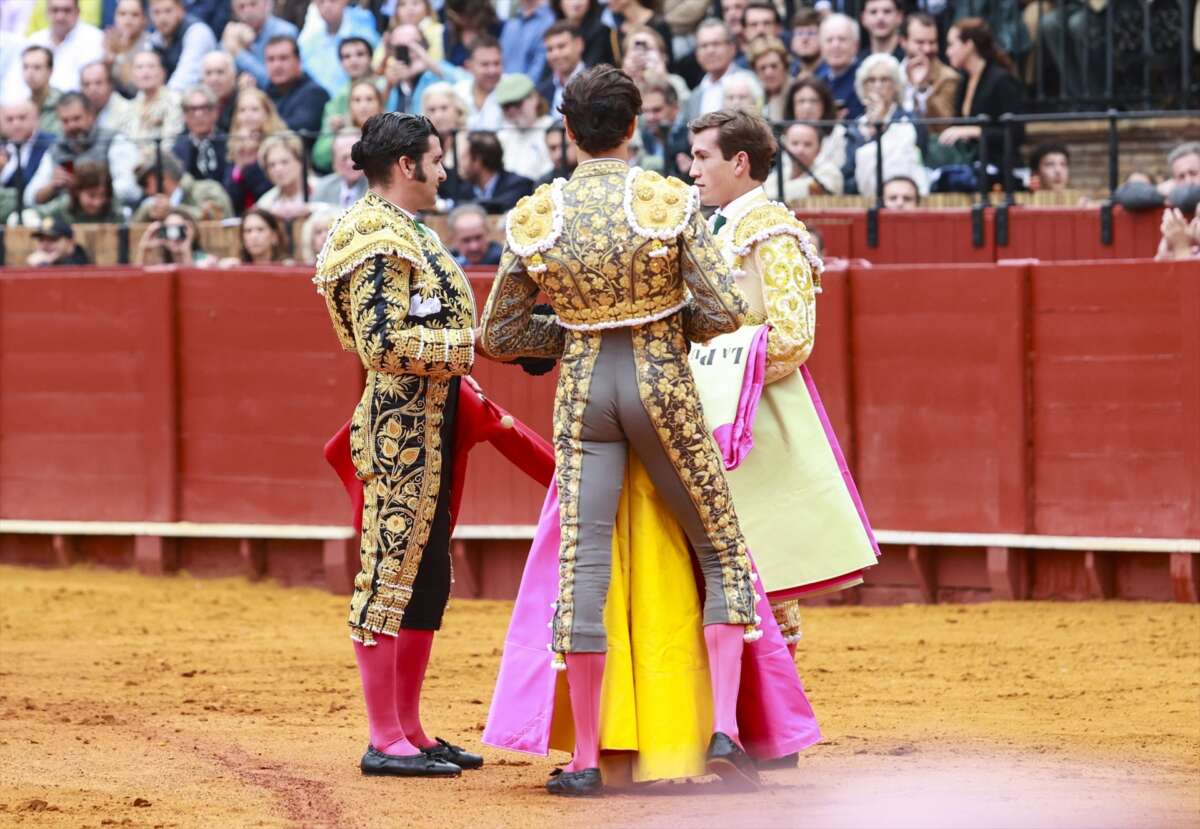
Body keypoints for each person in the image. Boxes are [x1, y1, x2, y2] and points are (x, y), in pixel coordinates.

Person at [478, 65, 794, 797]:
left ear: (567, 132)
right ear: (634, 126)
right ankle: (723, 729)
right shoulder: (667, 200)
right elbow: (722, 311)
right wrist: (657, 322)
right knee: (718, 548)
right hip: (660, 381)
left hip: (585, 389)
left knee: (584, 568)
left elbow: (498, 331)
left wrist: (576, 330)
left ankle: (587, 757)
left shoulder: (537, 214)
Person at [312, 112, 480, 778]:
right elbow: (381, 344)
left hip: (431, 423)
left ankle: (410, 726)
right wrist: (465, 349)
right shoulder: (376, 237)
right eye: (437, 159)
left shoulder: (408, 232)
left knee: (425, 577)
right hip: (399, 430)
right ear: (407, 165)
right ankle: (383, 734)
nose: (444, 171)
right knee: (386, 576)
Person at [687, 105, 878, 670]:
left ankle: (776, 714)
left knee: (767, 564)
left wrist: (719, 372)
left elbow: (794, 338)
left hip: (756, 417)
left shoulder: (772, 232)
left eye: (702, 157)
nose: (692, 170)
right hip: (710, 411)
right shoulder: (710, 227)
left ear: (739, 162)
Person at [938, 18, 1025, 185]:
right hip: (970, 166)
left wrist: (973, 131)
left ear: (968, 45)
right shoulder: (964, 80)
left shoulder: (1000, 80)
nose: (948, 52)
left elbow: (1016, 133)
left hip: (999, 171)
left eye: (951, 44)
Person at [843, 53, 928, 197]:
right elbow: (849, 176)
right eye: (871, 80)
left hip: (904, 196)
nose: (877, 86)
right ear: (863, 87)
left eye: (884, 80)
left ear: (895, 86)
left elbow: (920, 161)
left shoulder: (910, 120)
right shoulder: (855, 128)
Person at [41, 92, 140, 207]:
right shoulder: (57, 147)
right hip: (67, 215)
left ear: (91, 116)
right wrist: (52, 186)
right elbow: (30, 197)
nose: (72, 125)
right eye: (65, 121)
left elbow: (129, 189)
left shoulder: (114, 140)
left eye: (76, 118)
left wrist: (90, 191)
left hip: (110, 215)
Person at [2, 0, 105, 102]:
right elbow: (16, 83)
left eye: (66, 10)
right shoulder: (35, 40)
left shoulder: (95, 39)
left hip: (78, 109)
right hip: (37, 108)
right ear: (47, 13)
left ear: (78, 12)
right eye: (55, 10)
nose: (60, 16)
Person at [298, 0, 380, 98]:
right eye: (321, 2)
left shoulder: (365, 28)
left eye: (333, 1)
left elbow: (377, 69)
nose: (327, 6)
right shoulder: (309, 41)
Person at [223, 87, 285, 213]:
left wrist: (250, 162)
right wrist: (240, 164)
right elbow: (229, 199)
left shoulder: (280, 144)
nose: (248, 115)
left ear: (267, 113)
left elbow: (267, 188)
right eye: (242, 110)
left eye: (255, 109)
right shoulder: (234, 147)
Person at [264, 35, 330, 142]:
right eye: (271, 59)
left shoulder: (315, 94)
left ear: (298, 61)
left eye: (283, 58)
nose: (277, 65)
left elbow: (297, 128)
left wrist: (260, 125)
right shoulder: (265, 92)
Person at [132, 151, 233, 221]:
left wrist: (174, 210)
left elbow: (217, 218)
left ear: (163, 176)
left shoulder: (207, 190)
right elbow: (130, 233)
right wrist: (146, 212)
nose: (146, 191)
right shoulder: (151, 207)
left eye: (145, 183)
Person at [222, 0, 300, 89]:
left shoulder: (284, 32)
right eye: (241, 7)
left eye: (253, 4)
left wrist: (239, 53)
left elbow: (273, 81)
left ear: (267, 4)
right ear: (234, 11)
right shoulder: (234, 34)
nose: (248, 11)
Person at [452, 130, 534, 213]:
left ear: (478, 160)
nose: (460, 163)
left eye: (463, 158)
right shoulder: (462, 190)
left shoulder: (518, 186)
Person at [901, 12, 960, 125]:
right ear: (903, 41)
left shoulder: (948, 78)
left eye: (932, 42)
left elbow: (943, 124)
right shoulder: (892, 74)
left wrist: (922, 89)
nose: (927, 49)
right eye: (920, 42)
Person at [684, 20, 751, 121]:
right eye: (704, 46)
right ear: (697, 53)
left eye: (716, 44)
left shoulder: (749, 82)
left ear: (732, 48)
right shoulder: (695, 95)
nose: (710, 51)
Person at [784, 77, 848, 182]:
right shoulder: (784, 137)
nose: (807, 107)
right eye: (801, 101)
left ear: (824, 105)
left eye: (814, 101)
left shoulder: (841, 135)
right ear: (792, 106)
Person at [148, 0, 217, 93]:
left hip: (202, 101)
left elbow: (184, 80)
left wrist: (161, 103)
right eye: (157, 12)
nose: (162, 18)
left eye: (168, 11)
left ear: (181, 10)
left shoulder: (197, 32)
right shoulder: (154, 40)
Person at [765, 121, 844, 202]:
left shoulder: (831, 172)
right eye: (795, 143)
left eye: (807, 144)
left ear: (819, 148)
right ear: (785, 145)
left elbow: (814, 189)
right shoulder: (781, 173)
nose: (800, 150)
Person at [0, 101, 57, 213]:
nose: (16, 124)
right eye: (9, 119)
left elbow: (31, 195)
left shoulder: (51, 143)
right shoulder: (3, 146)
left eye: (22, 118)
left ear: (36, 119)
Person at [495, 76, 554, 183]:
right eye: (506, 106)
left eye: (517, 104)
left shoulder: (552, 130)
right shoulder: (503, 135)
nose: (512, 110)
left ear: (534, 98)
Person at [36, 158, 128, 224]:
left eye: (103, 196)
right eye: (92, 196)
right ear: (77, 192)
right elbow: (36, 214)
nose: (98, 202)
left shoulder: (115, 211)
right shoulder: (65, 206)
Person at [128, 50, 185, 151]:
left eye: (151, 66)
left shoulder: (174, 100)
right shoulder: (131, 105)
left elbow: (170, 141)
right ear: (132, 75)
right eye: (139, 67)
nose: (145, 72)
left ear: (162, 72)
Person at [255, 132, 317, 222]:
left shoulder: (322, 188)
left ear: (300, 162)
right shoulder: (265, 203)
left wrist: (312, 209)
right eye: (271, 165)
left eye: (284, 162)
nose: (278, 169)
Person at [173, 86, 227, 183]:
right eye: (192, 109)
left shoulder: (228, 143)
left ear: (215, 111)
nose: (198, 115)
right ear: (184, 115)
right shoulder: (177, 149)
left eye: (204, 108)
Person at [815, 13, 863, 119]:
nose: (835, 45)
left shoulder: (867, 78)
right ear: (821, 46)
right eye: (829, 40)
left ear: (855, 45)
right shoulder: (816, 80)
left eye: (842, 39)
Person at [454, 36, 506, 131]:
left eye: (497, 63)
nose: (492, 70)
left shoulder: (513, 90)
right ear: (469, 66)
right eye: (485, 64)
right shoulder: (458, 92)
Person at [103, 0, 152, 98]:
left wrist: (120, 55)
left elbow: (135, 89)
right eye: (122, 14)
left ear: (144, 19)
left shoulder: (150, 44)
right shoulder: (107, 40)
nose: (128, 20)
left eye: (135, 15)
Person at [135, 207, 218, 265]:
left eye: (179, 230)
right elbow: (139, 283)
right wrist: (143, 249)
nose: (174, 237)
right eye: (168, 230)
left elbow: (192, 281)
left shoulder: (206, 261)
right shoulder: (161, 264)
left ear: (191, 231)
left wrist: (186, 251)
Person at [537, 22, 585, 120]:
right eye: (549, 49)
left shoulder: (598, 83)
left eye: (561, 46)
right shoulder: (542, 91)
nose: (555, 54)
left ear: (579, 45)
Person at [501, 0, 555, 81]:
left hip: (529, 90)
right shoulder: (512, 21)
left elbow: (540, 66)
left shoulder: (550, 20)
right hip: (502, 87)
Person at [550, 0, 614, 69]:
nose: (576, 3)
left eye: (561, 46)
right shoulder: (553, 29)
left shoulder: (601, 30)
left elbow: (592, 69)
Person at [220, 206, 290, 265]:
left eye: (260, 229)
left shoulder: (287, 267)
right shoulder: (236, 266)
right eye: (248, 231)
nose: (254, 236)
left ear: (274, 236)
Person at [313, 130, 366, 208]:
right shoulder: (323, 187)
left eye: (355, 157)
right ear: (334, 162)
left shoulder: (377, 187)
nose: (350, 163)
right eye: (344, 158)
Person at [80, 61, 134, 136]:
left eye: (98, 83)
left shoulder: (127, 111)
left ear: (110, 84)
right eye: (86, 84)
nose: (92, 89)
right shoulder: (80, 112)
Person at [19, 47, 64, 135]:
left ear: (50, 71)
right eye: (26, 67)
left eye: (37, 67)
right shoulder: (21, 108)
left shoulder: (64, 103)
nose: (30, 73)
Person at [746, 36, 789, 120]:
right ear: (755, 71)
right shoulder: (752, 95)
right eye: (762, 68)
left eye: (774, 66)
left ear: (785, 66)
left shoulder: (797, 93)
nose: (769, 73)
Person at [26, 214, 92, 266]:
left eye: (53, 239)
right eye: (41, 239)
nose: (45, 244)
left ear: (70, 242)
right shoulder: (39, 260)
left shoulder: (80, 264)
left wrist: (44, 264)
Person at [201, 51, 239, 134]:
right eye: (208, 73)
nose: (214, 79)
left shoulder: (243, 103)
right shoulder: (197, 105)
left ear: (233, 76)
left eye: (220, 72)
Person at [789, 7, 822, 77]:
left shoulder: (833, 73)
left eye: (811, 33)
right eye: (799, 33)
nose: (804, 39)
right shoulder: (788, 72)